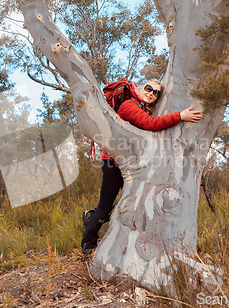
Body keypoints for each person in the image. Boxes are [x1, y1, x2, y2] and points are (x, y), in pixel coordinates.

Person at [81, 79, 203, 255]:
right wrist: (180, 116)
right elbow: (150, 124)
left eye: (156, 92)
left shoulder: (145, 109)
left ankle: (92, 218)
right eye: (149, 88)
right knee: (105, 205)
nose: (152, 93)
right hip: (114, 162)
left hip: (131, 165)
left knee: (132, 202)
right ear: (140, 87)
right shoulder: (128, 106)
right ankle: (88, 244)